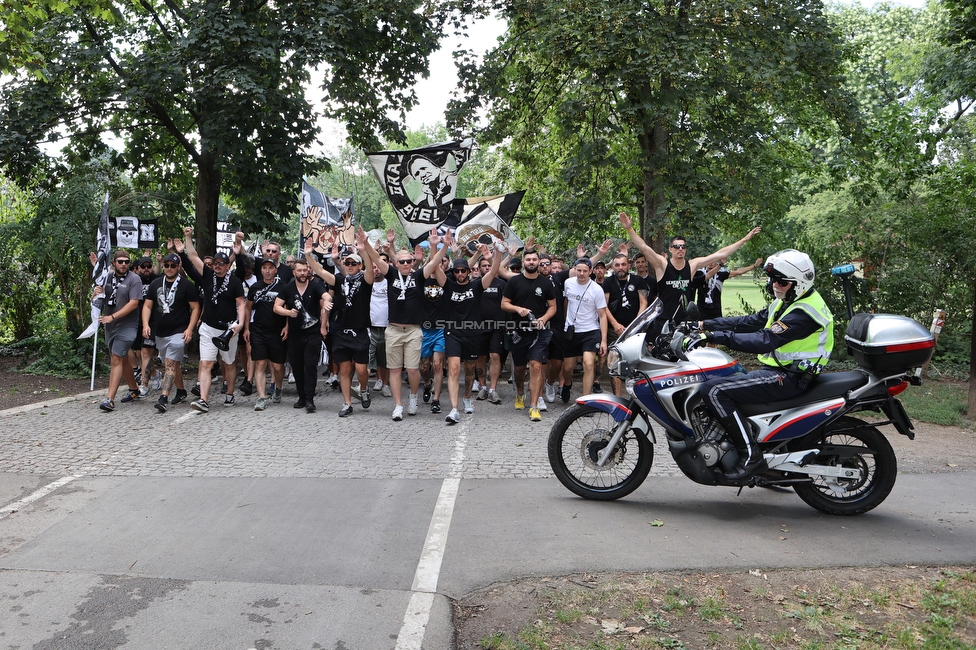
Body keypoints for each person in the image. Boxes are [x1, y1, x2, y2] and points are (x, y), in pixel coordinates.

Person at [686, 249, 834, 480]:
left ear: (799, 283)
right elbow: (750, 321)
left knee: (713, 390)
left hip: (789, 377)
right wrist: (704, 325)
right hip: (778, 371)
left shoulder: (805, 312)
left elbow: (765, 340)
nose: (775, 284)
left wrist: (715, 337)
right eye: (773, 279)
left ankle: (751, 457)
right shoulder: (787, 301)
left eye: (782, 281)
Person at [360, 230, 451, 421]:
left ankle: (413, 397)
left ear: (412, 263)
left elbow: (434, 263)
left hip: (412, 330)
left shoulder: (418, 276)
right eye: (402, 262)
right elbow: (376, 257)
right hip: (393, 329)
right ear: (395, 263)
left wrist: (442, 245)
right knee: (394, 369)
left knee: (412, 369)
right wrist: (366, 243)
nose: (405, 264)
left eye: (408, 261)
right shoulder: (391, 274)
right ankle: (398, 406)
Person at [618, 212, 761, 324]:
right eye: (676, 246)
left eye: (683, 246)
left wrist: (744, 239)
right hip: (664, 320)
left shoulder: (692, 265)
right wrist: (629, 229)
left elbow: (721, 253)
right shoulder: (662, 264)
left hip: (685, 321)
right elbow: (643, 247)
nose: (680, 249)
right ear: (670, 249)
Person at [305, 229, 374, 417]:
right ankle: (347, 403)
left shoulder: (366, 281)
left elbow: (370, 269)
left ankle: (364, 388)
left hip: (360, 330)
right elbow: (319, 270)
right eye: (347, 263)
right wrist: (308, 255)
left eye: (354, 263)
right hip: (342, 330)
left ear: (359, 266)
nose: (350, 266)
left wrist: (364, 251)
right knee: (344, 368)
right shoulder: (339, 280)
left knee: (361, 369)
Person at [182, 229, 247, 412]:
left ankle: (230, 393)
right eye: (215, 263)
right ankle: (203, 399)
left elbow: (241, 304)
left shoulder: (234, 281)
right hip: (208, 328)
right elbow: (193, 255)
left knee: (229, 363)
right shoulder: (207, 275)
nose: (217, 266)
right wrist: (188, 237)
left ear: (228, 265)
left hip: (228, 329)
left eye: (221, 263)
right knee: (206, 363)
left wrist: (240, 324)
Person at [439, 244, 502, 424]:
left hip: (473, 333)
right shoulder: (448, 285)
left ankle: (467, 398)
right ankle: (453, 409)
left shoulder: (476, 286)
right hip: (453, 333)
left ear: (468, 271)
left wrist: (497, 254)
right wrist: (438, 246)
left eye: (462, 271)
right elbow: (435, 267)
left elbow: (493, 271)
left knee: (469, 371)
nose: (459, 274)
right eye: (457, 271)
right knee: (453, 369)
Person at [501, 249, 556, 422]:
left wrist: (543, 318)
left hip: (540, 332)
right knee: (519, 368)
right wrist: (518, 309)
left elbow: (553, 307)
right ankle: (519, 393)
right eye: (528, 259)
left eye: (534, 259)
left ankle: (533, 406)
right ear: (523, 262)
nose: (531, 262)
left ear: (539, 262)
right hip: (519, 331)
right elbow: (504, 304)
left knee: (536, 365)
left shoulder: (546, 283)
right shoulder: (515, 281)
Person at [143, 253, 200, 412]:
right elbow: (147, 306)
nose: (169, 268)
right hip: (161, 332)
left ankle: (163, 398)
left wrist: (189, 329)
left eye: (172, 266)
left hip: (179, 331)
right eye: (166, 265)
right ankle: (181, 391)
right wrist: (146, 324)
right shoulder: (156, 284)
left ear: (178, 267)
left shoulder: (187, 285)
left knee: (169, 363)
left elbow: (195, 308)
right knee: (173, 363)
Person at [274, 259, 330, 413]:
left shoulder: (315, 286)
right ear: (294, 272)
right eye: (299, 270)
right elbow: (276, 307)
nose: (303, 273)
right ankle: (302, 396)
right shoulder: (287, 288)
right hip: (295, 333)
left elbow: (327, 296)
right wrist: (288, 313)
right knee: (297, 366)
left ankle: (310, 399)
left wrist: (326, 303)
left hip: (312, 333)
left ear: (308, 270)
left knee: (310, 365)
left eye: (305, 270)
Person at [92, 249, 143, 412]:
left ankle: (109, 399)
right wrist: (96, 293)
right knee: (123, 359)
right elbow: (97, 299)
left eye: (126, 262)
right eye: (120, 261)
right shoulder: (106, 277)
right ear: (114, 262)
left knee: (115, 358)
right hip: (110, 325)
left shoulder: (134, 279)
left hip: (127, 325)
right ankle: (134, 389)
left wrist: (113, 317)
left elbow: (134, 303)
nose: (123, 264)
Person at [560, 257, 608, 400]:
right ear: (574, 270)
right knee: (567, 368)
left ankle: (585, 400)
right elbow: (566, 303)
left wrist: (604, 340)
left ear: (590, 271)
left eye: (584, 271)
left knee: (588, 364)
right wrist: (566, 322)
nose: (581, 274)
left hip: (590, 331)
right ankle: (567, 384)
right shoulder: (568, 283)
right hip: (571, 330)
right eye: (578, 270)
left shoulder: (597, 289)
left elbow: (603, 315)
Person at [244, 258, 288, 411]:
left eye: (271, 268)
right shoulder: (255, 287)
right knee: (260, 363)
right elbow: (248, 307)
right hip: (258, 330)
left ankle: (279, 386)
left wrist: (287, 326)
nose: (268, 271)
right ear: (261, 271)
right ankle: (261, 397)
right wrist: (247, 328)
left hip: (277, 330)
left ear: (276, 270)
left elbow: (288, 307)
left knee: (277, 366)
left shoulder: (283, 287)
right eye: (265, 268)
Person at [604, 253, 650, 395]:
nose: (620, 267)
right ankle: (617, 396)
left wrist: (635, 324)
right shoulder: (608, 282)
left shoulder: (638, 281)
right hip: (614, 329)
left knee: (635, 363)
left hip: (634, 329)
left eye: (623, 264)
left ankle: (636, 396)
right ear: (612, 267)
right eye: (617, 265)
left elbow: (644, 302)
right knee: (615, 363)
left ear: (629, 265)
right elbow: (603, 306)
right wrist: (615, 324)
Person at [693, 257, 763, 319]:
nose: (710, 263)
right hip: (701, 309)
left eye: (713, 261)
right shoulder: (699, 274)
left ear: (717, 264)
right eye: (709, 261)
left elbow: (739, 272)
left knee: (717, 331)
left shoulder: (721, 275)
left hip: (715, 310)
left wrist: (754, 266)